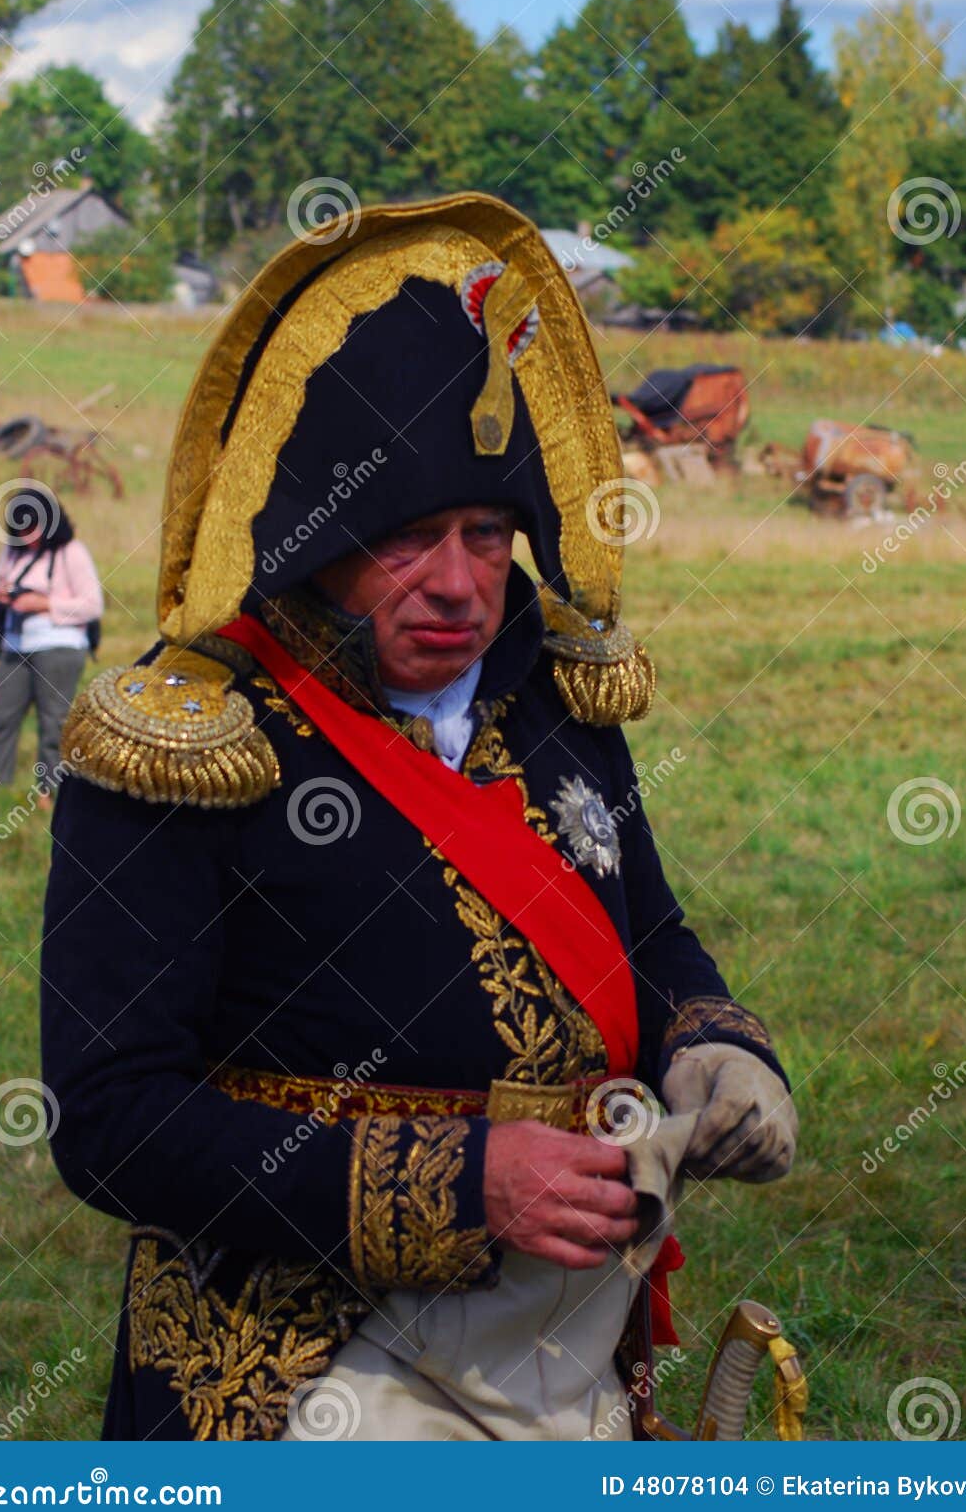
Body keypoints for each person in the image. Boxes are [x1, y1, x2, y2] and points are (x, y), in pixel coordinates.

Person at [40, 192, 796, 1442]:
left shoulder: (554, 694)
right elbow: (113, 1119)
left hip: (563, 1350)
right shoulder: (188, 743)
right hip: (300, 1376)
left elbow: (646, 930)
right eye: (404, 539)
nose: (458, 582)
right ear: (311, 535)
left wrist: (714, 1042)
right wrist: (461, 1184)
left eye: (487, 533)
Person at [0, 486, 103, 803]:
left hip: (60, 646)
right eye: (20, 529)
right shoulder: (13, 552)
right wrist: (2, 596)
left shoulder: (71, 552)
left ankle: (49, 792)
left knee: (54, 721)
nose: (28, 535)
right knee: (1, 717)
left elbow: (92, 605)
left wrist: (44, 604)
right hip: (15, 645)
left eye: (33, 528)